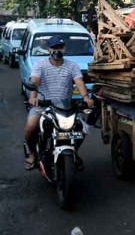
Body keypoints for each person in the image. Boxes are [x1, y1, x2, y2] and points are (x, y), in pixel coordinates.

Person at [24, 35, 94, 170]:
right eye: (54, 47)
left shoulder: (72, 65)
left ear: (64, 49)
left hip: (65, 107)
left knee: (81, 127)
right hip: (43, 105)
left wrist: (86, 97)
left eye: (60, 47)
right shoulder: (40, 65)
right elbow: (35, 81)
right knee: (30, 126)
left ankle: (74, 152)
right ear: (49, 49)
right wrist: (33, 97)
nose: (57, 50)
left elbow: (79, 82)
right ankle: (32, 153)